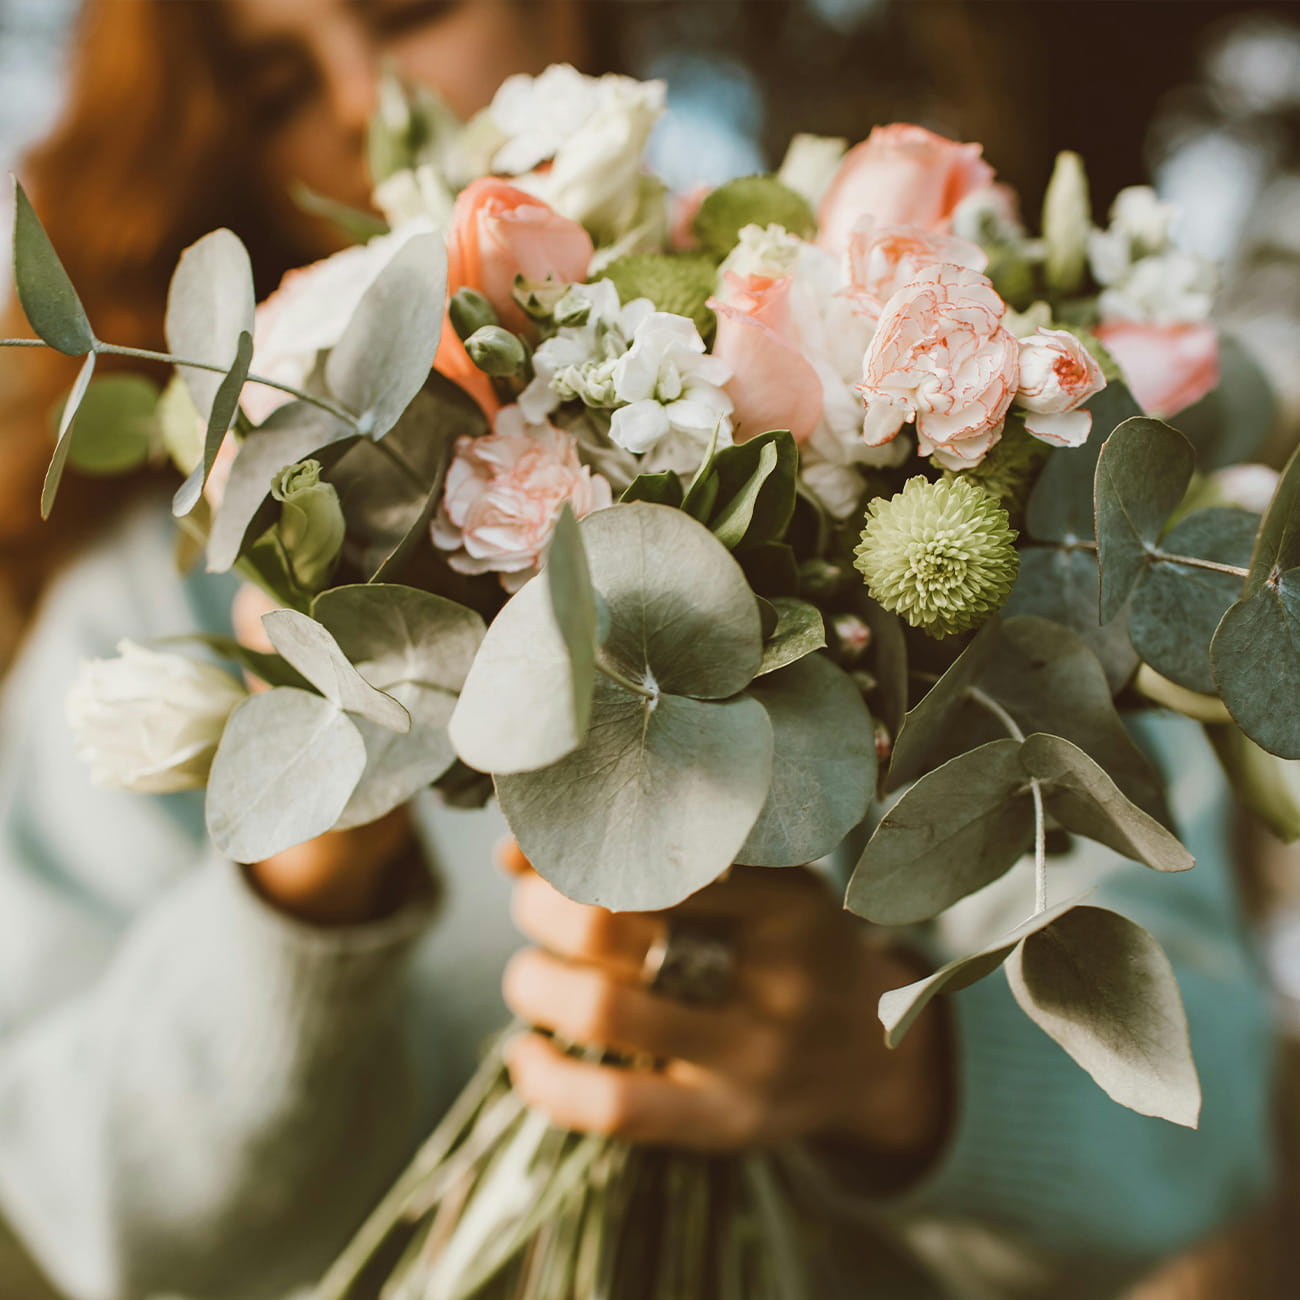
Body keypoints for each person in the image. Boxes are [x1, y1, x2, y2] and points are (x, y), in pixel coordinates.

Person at [0, 2, 1277, 1298]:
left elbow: (1205, 1121)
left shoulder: (934, 463)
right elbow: (88, 1214)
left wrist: (886, 1072)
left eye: (405, 10)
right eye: (275, 84)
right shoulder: (161, 591)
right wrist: (314, 846)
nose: (361, 97)